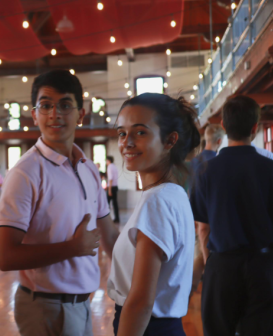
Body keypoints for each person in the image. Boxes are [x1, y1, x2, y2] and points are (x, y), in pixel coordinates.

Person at [0, 70, 119, 336]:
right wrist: (72, 248)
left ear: (80, 115)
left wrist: (146, 265)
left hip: (82, 304)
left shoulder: (89, 169)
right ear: (35, 114)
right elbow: (5, 256)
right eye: (46, 105)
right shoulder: (25, 172)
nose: (55, 114)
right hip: (45, 308)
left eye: (64, 105)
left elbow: (109, 235)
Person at [190, 96, 273, 336]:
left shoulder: (206, 171)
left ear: (225, 128)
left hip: (221, 263)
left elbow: (203, 228)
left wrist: (211, 265)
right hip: (262, 265)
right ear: (255, 128)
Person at [108, 94, 200, 336]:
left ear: (170, 140)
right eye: (121, 133)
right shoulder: (174, 194)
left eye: (140, 132)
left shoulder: (157, 201)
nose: (126, 142)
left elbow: (140, 302)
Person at [189, 123, 225, 295]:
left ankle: (191, 290)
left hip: (191, 215)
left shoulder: (193, 162)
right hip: (209, 217)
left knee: (198, 256)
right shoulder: (217, 163)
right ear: (219, 140)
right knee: (205, 257)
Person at [106, 156, 120, 223]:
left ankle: (105, 219)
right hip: (115, 186)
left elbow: (110, 179)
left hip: (111, 187)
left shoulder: (109, 167)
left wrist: (109, 190)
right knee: (115, 204)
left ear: (108, 160)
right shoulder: (114, 167)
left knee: (106, 204)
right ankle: (117, 218)